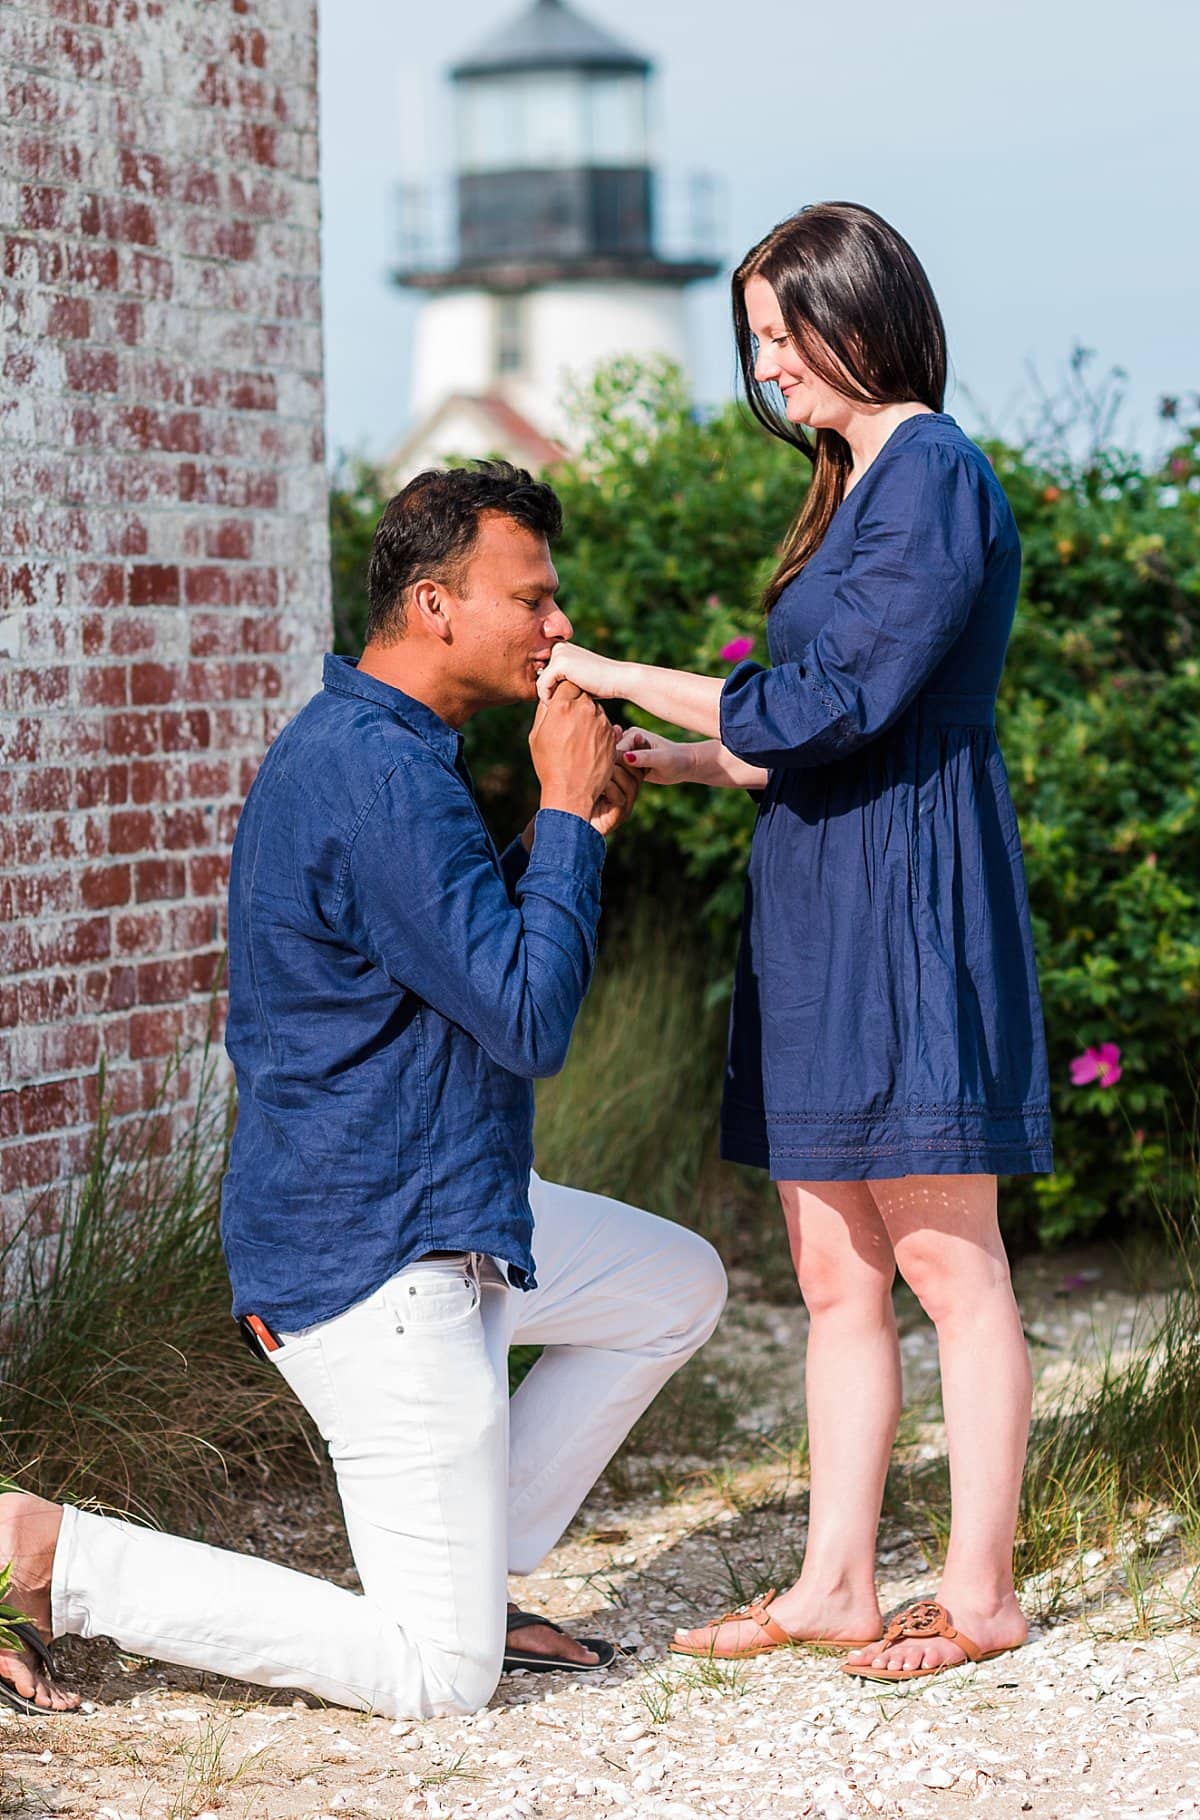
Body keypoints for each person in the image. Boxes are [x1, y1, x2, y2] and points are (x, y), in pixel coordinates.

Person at [0, 462, 726, 1720]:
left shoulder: (385, 749)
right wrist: (559, 809)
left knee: (677, 1285)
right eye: (536, 599)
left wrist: (578, 833)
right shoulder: (381, 772)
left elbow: (445, 948)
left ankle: (465, 1564)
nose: (562, 630)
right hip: (376, 1256)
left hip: (449, 1199)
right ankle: (55, 1551)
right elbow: (527, 1019)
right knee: (438, 1678)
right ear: (437, 604)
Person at [537, 203, 1052, 1684]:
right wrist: (678, 759)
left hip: (909, 890)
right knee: (834, 1273)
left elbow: (837, 703)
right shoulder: (850, 483)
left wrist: (614, 667)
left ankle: (980, 1597)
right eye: (756, 345)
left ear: (863, 311)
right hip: (825, 885)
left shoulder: (933, 471)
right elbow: (800, 731)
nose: (772, 373)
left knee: (953, 1266)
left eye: (787, 336)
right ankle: (834, 1583)